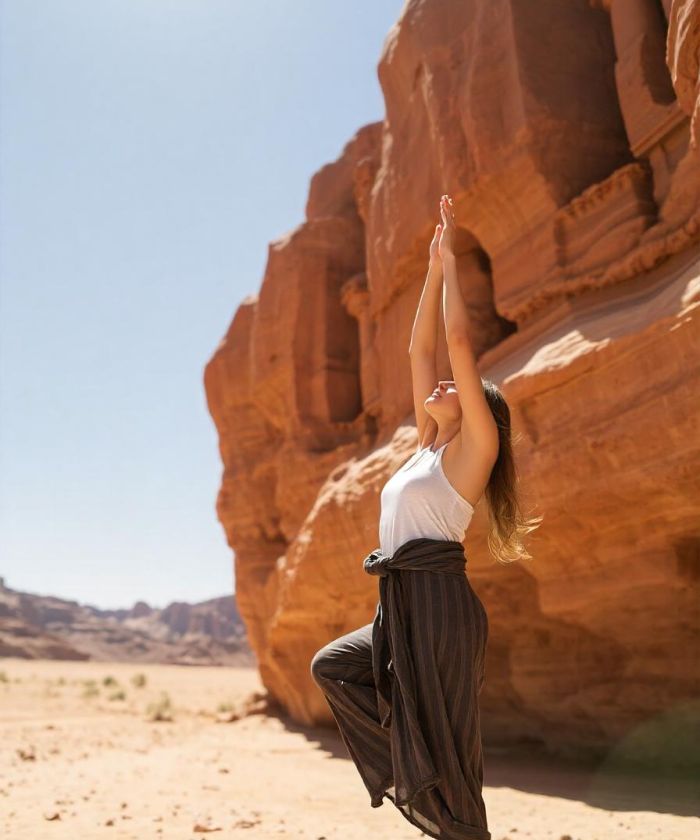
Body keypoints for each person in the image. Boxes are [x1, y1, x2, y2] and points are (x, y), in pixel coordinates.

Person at [310, 195, 541, 840]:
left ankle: (461, 828)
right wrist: (435, 264)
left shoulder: (472, 455)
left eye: (454, 387)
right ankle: (425, 791)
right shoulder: (425, 450)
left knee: (451, 752)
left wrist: (456, 266)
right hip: (399, 603)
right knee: (333, 666)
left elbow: (455, 341)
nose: (438, 384)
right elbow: (419, 350)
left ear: (475, 409)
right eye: (436, 387)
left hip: (439, 605)